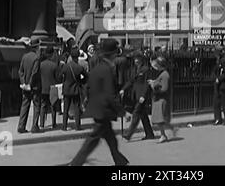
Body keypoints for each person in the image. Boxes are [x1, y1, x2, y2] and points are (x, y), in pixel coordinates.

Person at [70, 38, 129, 166]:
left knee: (110, 139)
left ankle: (120, 161)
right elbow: (109, 94)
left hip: (98, 108)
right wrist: (122, 112)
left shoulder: (97, 68)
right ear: (112, 54)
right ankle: (75, 163)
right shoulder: (107, 69)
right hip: (103, 110)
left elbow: (88, 87)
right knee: (93, 140)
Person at [120, 53, 155, 141]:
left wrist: (144, 95)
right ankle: (149, 133)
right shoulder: (134, 69)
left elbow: (147, 84)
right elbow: (131, 81)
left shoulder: (146, 69)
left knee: (136, 113)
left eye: (137, 58)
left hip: (142, 96)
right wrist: (123, 89)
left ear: (141, 59)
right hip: (135, 95)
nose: (136, 60)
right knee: (143, 115)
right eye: (135, 58)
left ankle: (128, 134)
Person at [147, 55, 177, 143]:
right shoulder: (162, 74)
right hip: (158, 99)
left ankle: (164, 134)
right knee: (160, 119)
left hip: (161, 99)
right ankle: (166, 132)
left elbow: (164, 88)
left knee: (160, 119)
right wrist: (154, 82)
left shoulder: (165, 75)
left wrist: (153, 86)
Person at [17, 39, 42, 134]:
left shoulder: (24, 57)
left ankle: (21, 126)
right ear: (37, 47)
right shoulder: (36, 58)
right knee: (36, 105)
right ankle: (34, 126)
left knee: (24, 105)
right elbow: (34, 73)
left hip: (25, 86)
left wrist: (24, 83)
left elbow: (20, 71)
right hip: (34, 87)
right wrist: (30, 85)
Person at [61, 47, 88, 131]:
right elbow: (87, 77)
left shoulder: (65, 66)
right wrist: (80, 81)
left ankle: (64, 126)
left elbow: (60, 76)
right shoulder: (79, 68)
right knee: (77, 108)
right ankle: (77, 126)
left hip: (66, 89)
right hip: (75, 89)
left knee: (66, 108)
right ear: (77, 57)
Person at [39, 46, 59, 129]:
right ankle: (54, 123)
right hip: (52, 88)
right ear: (51, 54)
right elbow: (57, 77)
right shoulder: (54, 65)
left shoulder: (41, 65)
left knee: (43, 106)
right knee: (53, 106)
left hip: (43, 88)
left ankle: (42, 124)